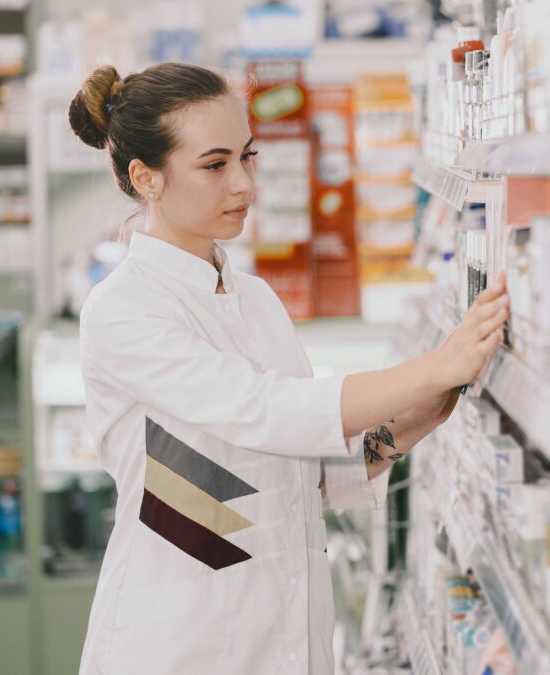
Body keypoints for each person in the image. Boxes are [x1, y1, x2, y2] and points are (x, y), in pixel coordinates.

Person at [69, 62, 508, 674]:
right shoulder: (122, 311)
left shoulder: (256, 300)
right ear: (146, 178)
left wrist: (405, 426)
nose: (244, 183)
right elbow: (262, 409)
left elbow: (288, 478)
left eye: (248, 157)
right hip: (178, 648)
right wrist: (436, 365)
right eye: (215, 165)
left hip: (285, 639)